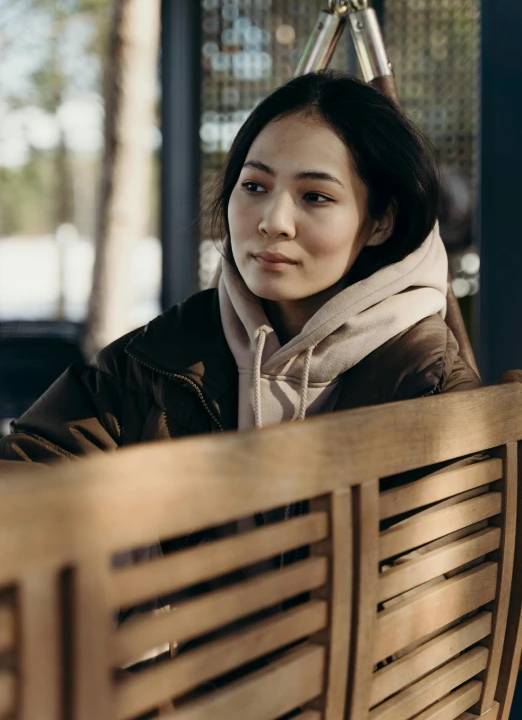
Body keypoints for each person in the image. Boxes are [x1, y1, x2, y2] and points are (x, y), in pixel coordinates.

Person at [0, 71, 480, 466]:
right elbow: (28, 475)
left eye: (315, 196)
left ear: (380, 222)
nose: (273, 222)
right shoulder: (158, 357)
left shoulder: (424, 386)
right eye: (254, 187)